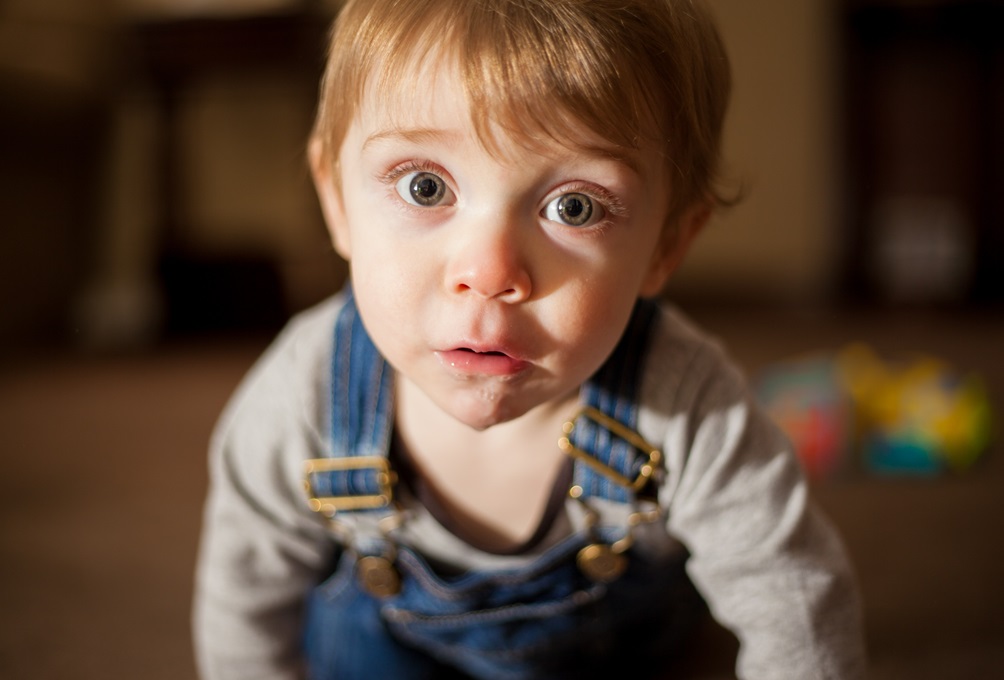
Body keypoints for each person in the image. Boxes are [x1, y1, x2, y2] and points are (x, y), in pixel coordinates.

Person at [193, 0, 866, 678]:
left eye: (573, 207)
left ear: (666, 245)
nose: (488, 272)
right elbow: (242, 609)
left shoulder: (685, 402)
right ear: (336, 201)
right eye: (426, 188)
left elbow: (793, 599)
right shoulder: (305, 393)